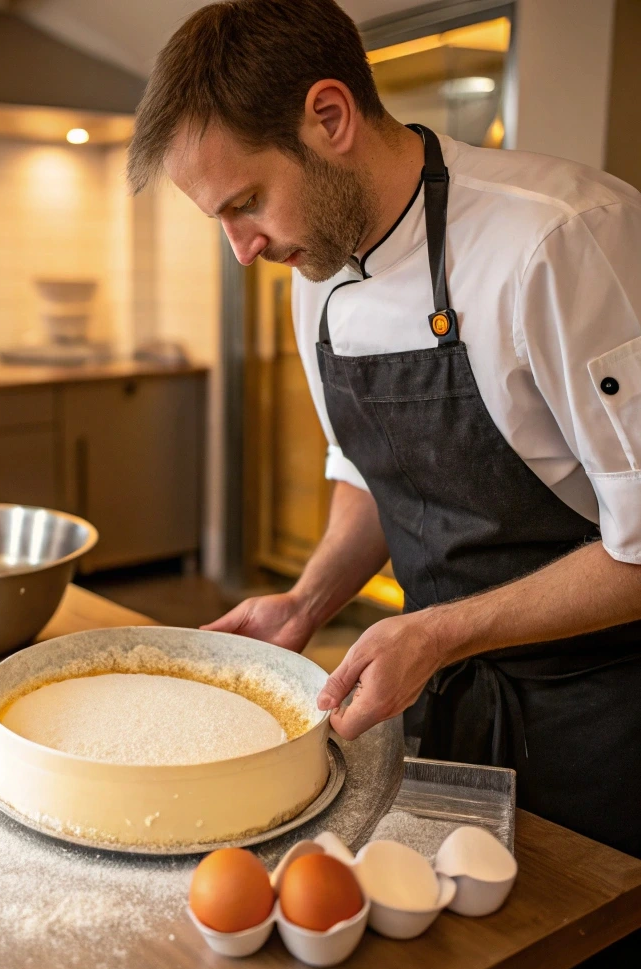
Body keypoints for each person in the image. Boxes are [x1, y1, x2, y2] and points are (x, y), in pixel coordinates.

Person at [127, 0, 641, 860]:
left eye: (247, 202)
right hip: (437, 706)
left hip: (605, 719)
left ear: (330, 117)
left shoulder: (563, 240)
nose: (240, 250)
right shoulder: (316, 276)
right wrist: (308, 601)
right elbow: (374, 472)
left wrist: (438, 631)